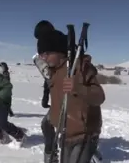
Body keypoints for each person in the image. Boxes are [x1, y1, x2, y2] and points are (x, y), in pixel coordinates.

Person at [36, 29, 105, 163]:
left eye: (46, 53)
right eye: (41, 55)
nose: (43, 58)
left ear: (58, 52)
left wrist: (78, 87)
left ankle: (91, 154)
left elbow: (99, 97)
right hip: (66, 132)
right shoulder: (52, 72)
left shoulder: (79, 68)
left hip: (85, 133)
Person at [34, 20, 58, 163]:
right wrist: (45, 97)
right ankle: (51, 154)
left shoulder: (59, 47)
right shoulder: (47, 49)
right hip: (57, 95)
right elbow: (48, 76)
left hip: (70, 96)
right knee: (47, 124)